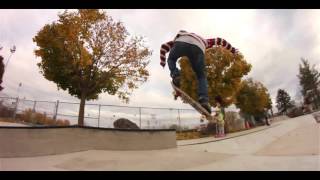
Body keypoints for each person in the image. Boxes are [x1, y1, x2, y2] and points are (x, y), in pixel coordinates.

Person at [160, 30, 238, 114]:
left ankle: (176, 76)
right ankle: (204, 100)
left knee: (171, 59)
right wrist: (233, 50)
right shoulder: (206, 40)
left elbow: (163, 47)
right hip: (199, 47)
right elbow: (220, 40)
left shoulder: (177, 39)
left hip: (180, 42)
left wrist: (163, 62)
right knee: (201, 76)